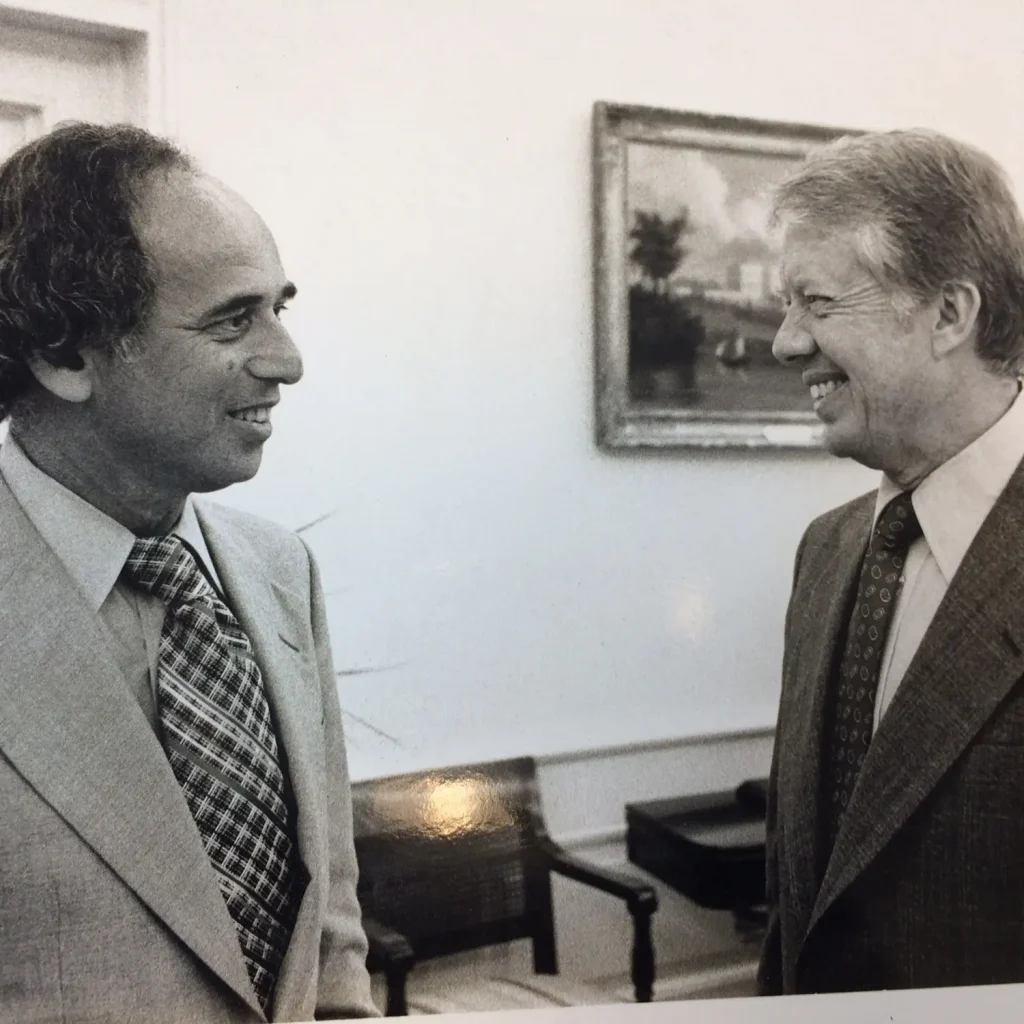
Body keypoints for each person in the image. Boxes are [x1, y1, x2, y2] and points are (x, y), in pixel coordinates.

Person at [0, 123, 377, 1022]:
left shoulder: (280, 570)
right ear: (63, 354)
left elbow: (330, 940)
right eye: (232, 319)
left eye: (281, 308)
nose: (287, 361)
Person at [760, 128, 1024, 995]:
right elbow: (801, 899)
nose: (785, 344)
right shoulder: (828, 550)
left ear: (951, 314)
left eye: (820, 303)